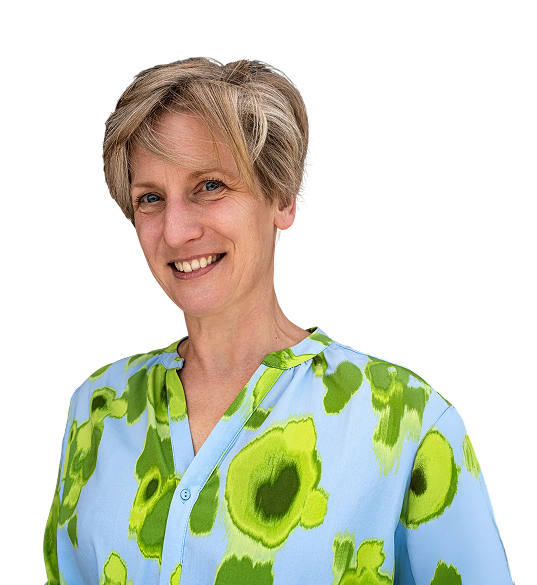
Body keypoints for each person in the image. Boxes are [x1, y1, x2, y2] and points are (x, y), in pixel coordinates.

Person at [43, 57, 513, 584]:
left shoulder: (406, 419)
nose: (175, 232)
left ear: (283, 199)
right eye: (150, 198)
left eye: (210, 186)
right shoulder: (95, 409)